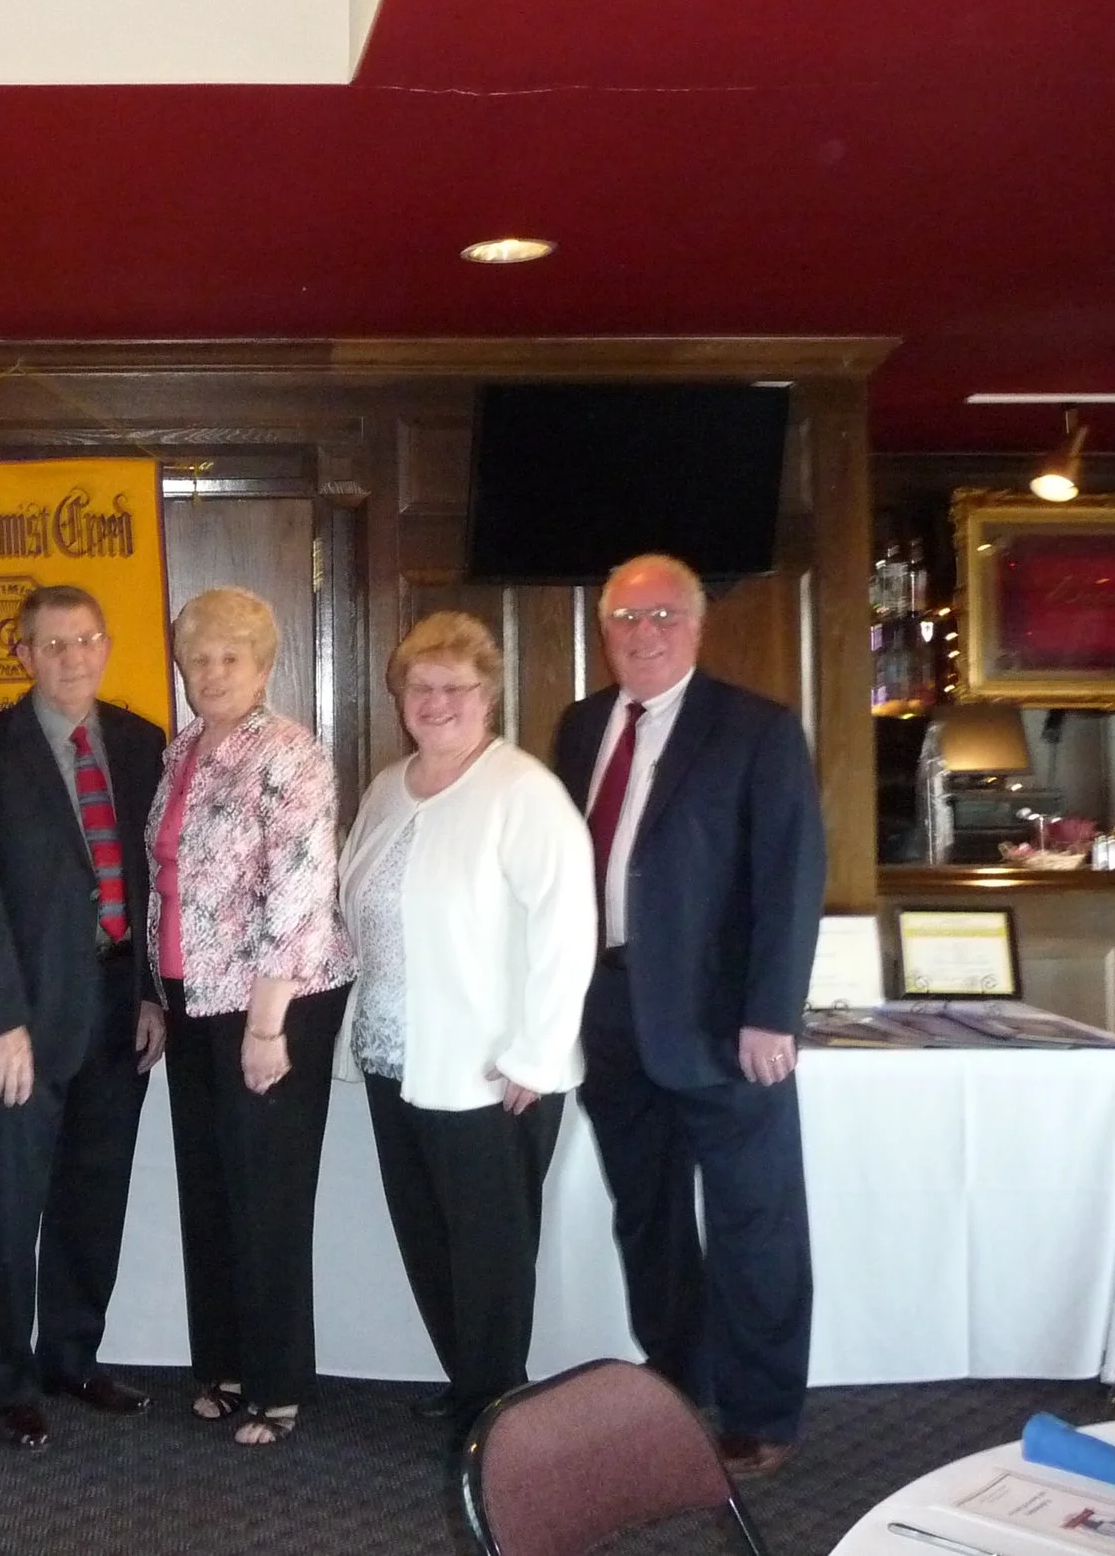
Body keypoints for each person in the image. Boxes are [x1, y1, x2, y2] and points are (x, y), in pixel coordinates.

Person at [551, 553, 826, 1480]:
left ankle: (762, 1411)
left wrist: (770, 1013)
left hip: (723, 1026)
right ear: (606, 631)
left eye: (663, 615)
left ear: (697, 627)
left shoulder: (756, 729)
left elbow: (790, 881)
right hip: (610, 1013)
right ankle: (677, 1377)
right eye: (626, 617)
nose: (644, 632)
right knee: (649, 1213)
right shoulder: (582, 725)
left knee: (755, 1221)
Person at [338, 611, 596, 1443]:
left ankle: (499, 1406)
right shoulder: (387, 787)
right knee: (427, 1234)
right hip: (393, 1054)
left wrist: (538, 1051)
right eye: (421, 686)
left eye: (456, 687)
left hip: (489, 1067)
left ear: (489, 695)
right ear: (400, 695)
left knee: (489, 1249)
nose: (437, 701)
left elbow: (568, 928)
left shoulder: (523, 791)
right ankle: (470, 1385)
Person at [0, 584, 168, 1451]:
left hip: (118, 1008)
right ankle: (10, 1380)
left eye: (87, 638)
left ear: (107, 645)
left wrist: (150, 993)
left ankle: (72, 1353)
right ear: (23, 654)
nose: (73, 656)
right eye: (53, 643)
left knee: (93, 1195)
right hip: (21, 1021)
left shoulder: (144, 744)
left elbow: (152, 884)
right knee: (12, 1204)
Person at [145, 586, 351, 1447]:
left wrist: (267, 1024)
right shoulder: (181, 749)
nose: (214, 670)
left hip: (275, 1002)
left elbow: (299, 895)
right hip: (194, 1000)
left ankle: (278, 1384)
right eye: (199, 657)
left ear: (265, 666)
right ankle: (223, 1364)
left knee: (267, 1192)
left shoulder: (292, 753)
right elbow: (170, 883)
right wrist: (159, 997)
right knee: (209, 1186)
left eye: (232, 656)